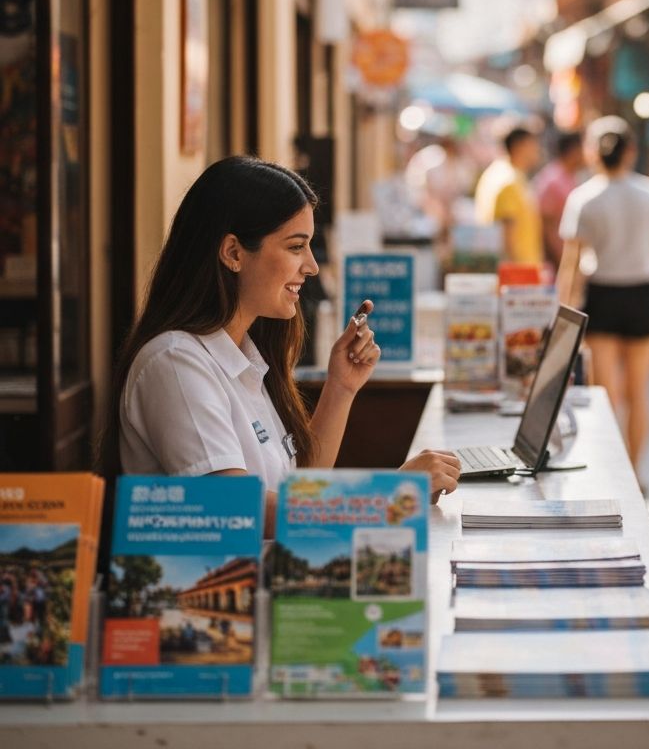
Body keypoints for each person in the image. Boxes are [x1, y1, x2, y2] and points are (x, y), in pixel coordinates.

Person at [97, 157, 460, 530]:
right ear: (234, 253)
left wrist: (341, 387)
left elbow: (295, 487)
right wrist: (394, 494)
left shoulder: (243, 355)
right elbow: (232, 506)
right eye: (295, 247)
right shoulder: (174, 361)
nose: (312, 267)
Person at [556, 117, 649, 472]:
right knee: (639, 394)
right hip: (642, 293)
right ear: (631, 152)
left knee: (605, 395)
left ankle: (613, 472)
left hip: (603, 296)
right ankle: (635, 473)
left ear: (593, 152)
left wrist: (563, 314)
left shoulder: (583, 198)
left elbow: (571, 265)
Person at [474, 123, 543, 265]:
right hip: (518, 274)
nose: (538, 150)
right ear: (521, 146)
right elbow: (507, 237)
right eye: (534, 145)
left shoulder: (498, 172)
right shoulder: (509, 181)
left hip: (515, 271)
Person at [534, 130, 584, 268]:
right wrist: (560, 260)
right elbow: (546, 225)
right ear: (574, 150)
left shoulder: (569, 176)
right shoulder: (553, 180)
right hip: (557, 262)